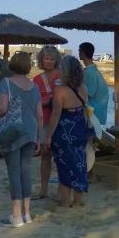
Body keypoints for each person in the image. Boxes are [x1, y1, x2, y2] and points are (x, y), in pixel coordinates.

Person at [0, 52, 41, 227]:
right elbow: (39, 114)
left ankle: (16, 215)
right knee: (26, 171)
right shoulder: (34, 87)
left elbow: (3, 108)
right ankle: (27, 213)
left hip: (13, 131)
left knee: (14, 172)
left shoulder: (6, 83)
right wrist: (39, 136)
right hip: (31, 131)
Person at [45, 55, 89, 208]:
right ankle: (77, 201)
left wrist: (48, 136)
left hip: (64, 132)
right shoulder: (83, 88)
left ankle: (65, 201)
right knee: (79, 165)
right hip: (80, 129)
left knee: (64, 166)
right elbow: (84, 110)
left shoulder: (60, 90)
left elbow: (56, 114)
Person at [32, 45, 61, 200]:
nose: (49, 61)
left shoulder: (62, 76)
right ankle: (43, 189)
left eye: (52, 59)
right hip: (43, 121)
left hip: (59, 120)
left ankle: (61, 190)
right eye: (46, 58)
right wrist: (45, 101)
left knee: (61, 157)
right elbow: (33, 101)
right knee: (45, 156)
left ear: (56, 60)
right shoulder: (37, 79)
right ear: (41, 60)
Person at [79, 42, 109, 125]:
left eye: (79, 51)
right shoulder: (93, 70)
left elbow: (88, 93)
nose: (78, 53)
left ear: (83, 53)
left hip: (94, 115)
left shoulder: (89, 72)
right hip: (99, 114)